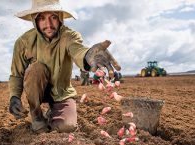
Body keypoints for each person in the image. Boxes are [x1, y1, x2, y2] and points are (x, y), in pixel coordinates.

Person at [8, 0, 121, 133]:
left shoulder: (69, 36)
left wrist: (87, 55)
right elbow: (17, 74)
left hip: (62, 92)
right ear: (35, 20)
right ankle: (37, 117)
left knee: (67, 126)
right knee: (35, 69)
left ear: (60, 18)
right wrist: (14, 96)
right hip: (38, 90)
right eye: (42, 18)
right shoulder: (24, 42)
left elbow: (78, 50)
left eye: (53, 17)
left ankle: (52, 113)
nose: (48, 24)